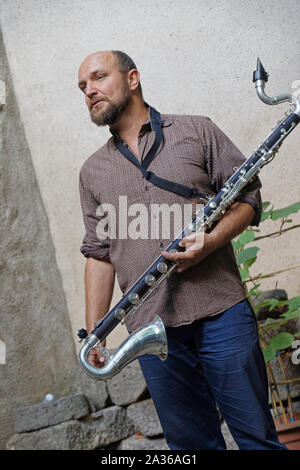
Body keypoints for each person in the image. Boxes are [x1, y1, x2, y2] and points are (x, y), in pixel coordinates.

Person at [77, 50, 287, 450]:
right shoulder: (92, 172)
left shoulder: (197, 130)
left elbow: (249, 200)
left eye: (99, 78)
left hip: (222, 312)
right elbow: (98, 253)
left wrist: (211, 243)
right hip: (152, 333)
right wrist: (95, 335)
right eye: (83, 87)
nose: (90, 91)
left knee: (258, 440)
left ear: (133, 78)